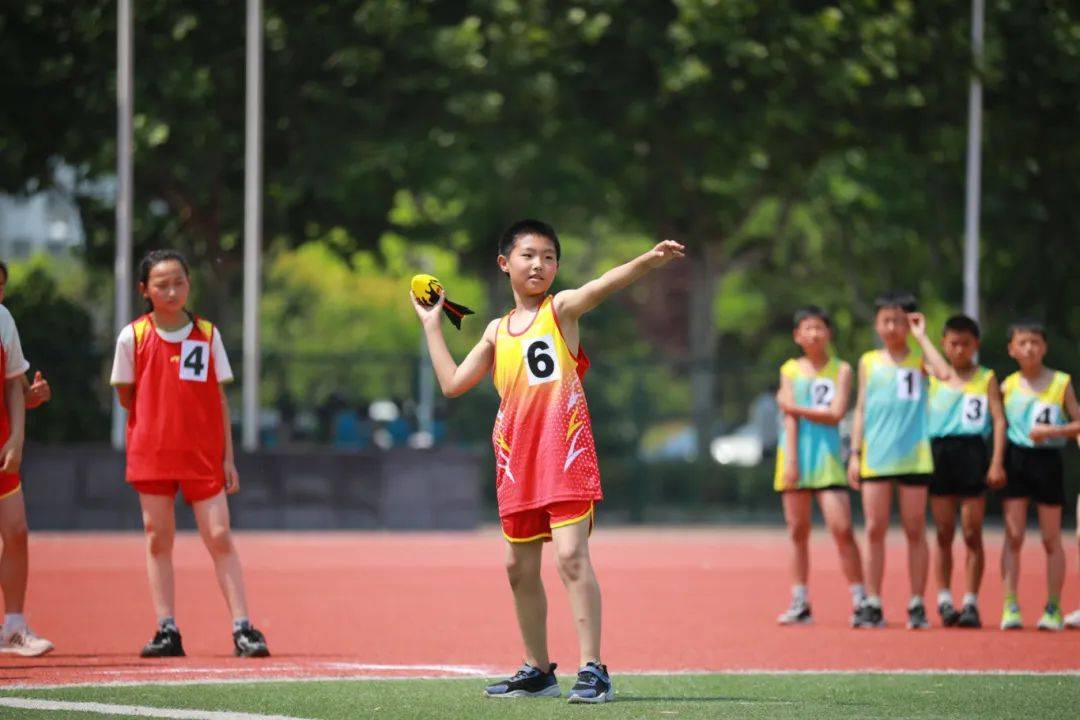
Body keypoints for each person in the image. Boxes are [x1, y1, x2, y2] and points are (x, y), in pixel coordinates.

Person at [412, 219, 683, 703]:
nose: (539, 264)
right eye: (528, 255)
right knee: (517, 567)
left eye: (549, 257)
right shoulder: (496, 331)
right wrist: (433, 325)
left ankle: (593, 669)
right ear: (505, 264)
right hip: (517, 463)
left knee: (571, 557)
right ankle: (537, 670)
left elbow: (602, 285)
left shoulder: (560, 310)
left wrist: (647, 261)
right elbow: (453, 384)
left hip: (566, 454)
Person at [111, 250, 270, 657]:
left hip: (203, 455)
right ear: (144, 290)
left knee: (219, 535)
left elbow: (217, 400)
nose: (171, 290)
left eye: (179, 281)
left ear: (189, 284)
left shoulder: (207, 334)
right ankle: (167, 629)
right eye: (161, 284)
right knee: (158, 538)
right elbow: (127, 396)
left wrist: (228, 458)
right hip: (152, 453)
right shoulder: (133, 337)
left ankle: (243, 628)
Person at [847, 292, 954, 629]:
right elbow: (861, 408)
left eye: (898, 320)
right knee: (875, 529)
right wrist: (854, 453)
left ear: (908, 323)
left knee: (914, 530)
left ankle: (917, 603)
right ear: (877, 325)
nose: (892, 327)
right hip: (876, 456)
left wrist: (922, 336)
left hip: (914, 457)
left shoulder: (919, 360)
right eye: (886, 321)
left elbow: (945, 373)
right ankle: (874, 602)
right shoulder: (868, 361)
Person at [774, 306, 866, 626]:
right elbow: (789, 417)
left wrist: (796, 407)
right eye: (807, 328)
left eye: (819, 328)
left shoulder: (841, 370)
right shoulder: (790, 369)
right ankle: (800, 600)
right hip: (795, 458)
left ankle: (860, 599)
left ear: (829, 332)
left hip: (827, 460)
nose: (813, 333)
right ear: (798, 336)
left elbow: (836, 412)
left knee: (842, 529)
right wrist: (792, 461)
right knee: (797, 532)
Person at [998, 320, 1080, 631]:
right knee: (1014, 536)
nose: (1029, 348)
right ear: (1012, 349)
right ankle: (1010, 606)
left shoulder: (1061, 382)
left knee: (1051, 538)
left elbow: (1078, 423)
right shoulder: (1006, 386)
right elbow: (996, 425)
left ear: (1044, 347)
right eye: (1023, 342)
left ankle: (1054, 607)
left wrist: (1052, 431)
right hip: (1016, 460)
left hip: (1048, 460)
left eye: (1035, 342)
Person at [926, 315, 1006, 629]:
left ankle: (971, 601)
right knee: (944, 531)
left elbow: (999, 419)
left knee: (972, 532)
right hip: (940, 452)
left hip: (972, 452)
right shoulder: (933, 374)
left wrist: (996, 461)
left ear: (976, 345)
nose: (959, 350)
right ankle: (944, 599)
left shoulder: (985, 377)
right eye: (953, 343)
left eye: (966, 344)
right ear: (944, 344)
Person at [0, 261, 54, 657]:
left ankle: (14, 626)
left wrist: (17, 439)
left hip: (1, 447)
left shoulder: (2, 320)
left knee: (16, 532)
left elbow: (14, 386)